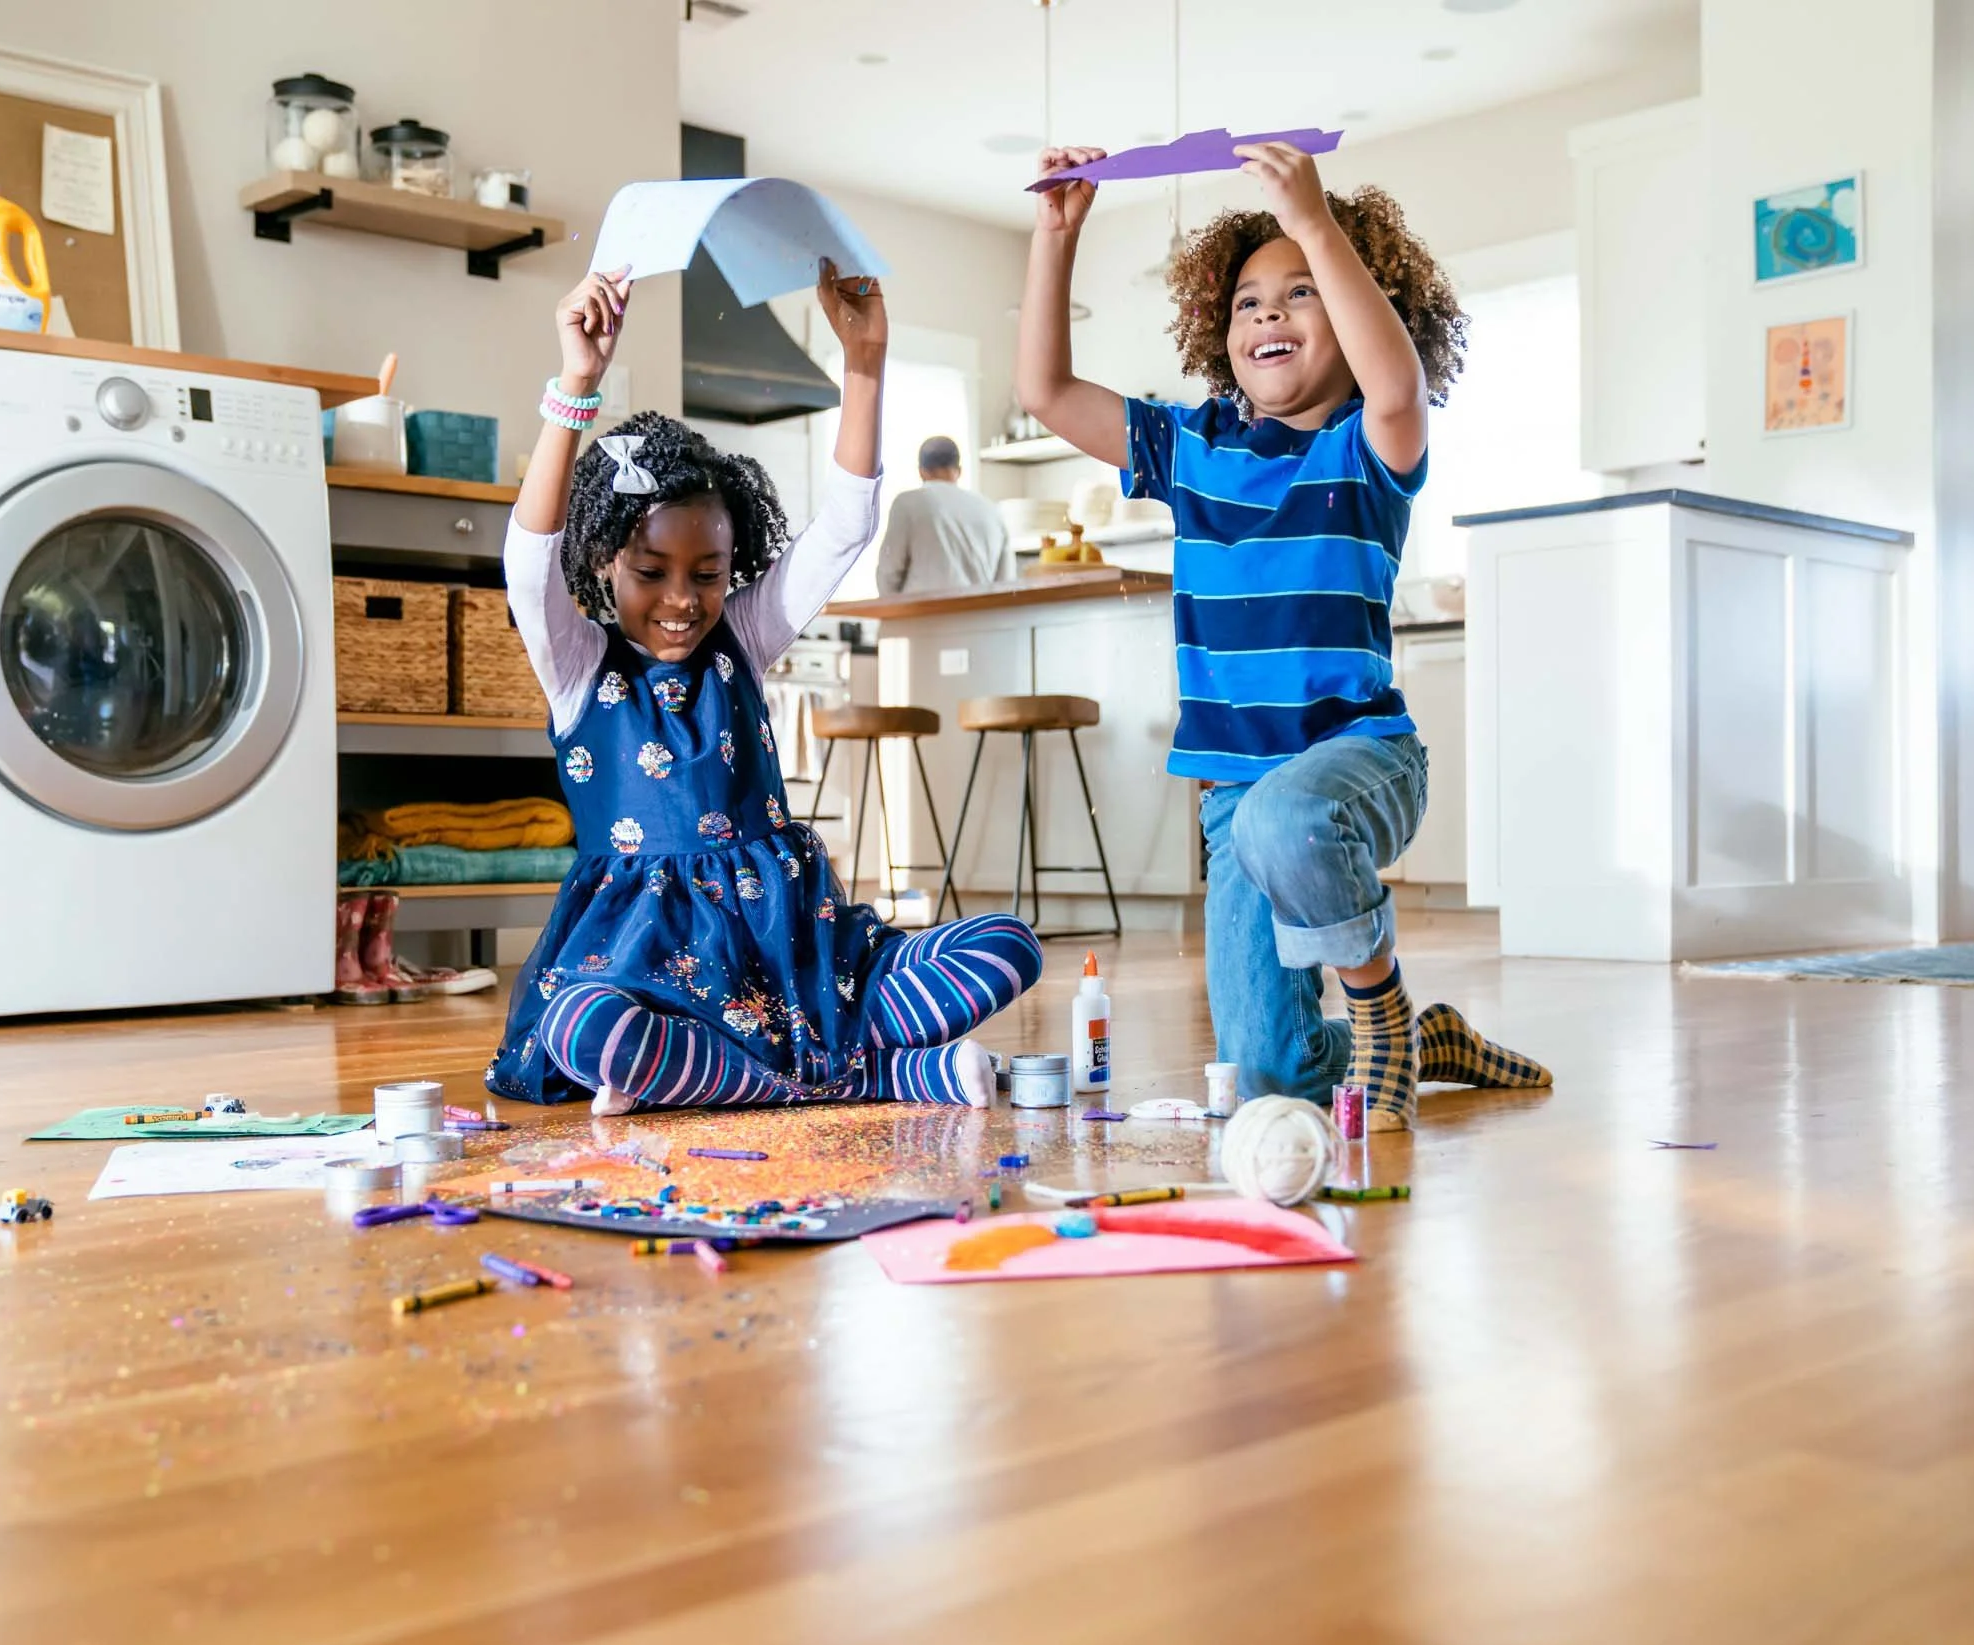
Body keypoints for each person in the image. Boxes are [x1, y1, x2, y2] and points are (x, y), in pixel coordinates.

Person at [1013, 140, 1550, 1129]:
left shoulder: (1366, 446)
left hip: (1358, 764)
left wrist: (1314, 221)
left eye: (1299, 293)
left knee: (1283, 818)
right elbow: (1045, 391)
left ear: (1355, 316)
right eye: (1247, 301)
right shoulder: (1192, 447)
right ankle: (1423, 1039)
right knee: (1268, 1072)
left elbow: (1394, 387)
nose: (1266, 313)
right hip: (1235, 802)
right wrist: (1055, 240)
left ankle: (1379, 1007)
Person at [487, 260, 1042, 1114]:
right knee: (582, 1026)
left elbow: (848, 525)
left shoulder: (740, 637)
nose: (681, 600)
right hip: (644, 963)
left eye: (707, 574)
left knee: (1008, 945)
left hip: (794, 951)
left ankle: (756, 1076)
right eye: (651, 571)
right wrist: (576, 384)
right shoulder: (577, 664)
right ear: (603, 562)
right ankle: (868, 1076)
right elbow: (527, 565)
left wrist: (865, 363)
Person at [875, 435, 1014, 595]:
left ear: (921, 471)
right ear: (959, 470)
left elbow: (889, 570)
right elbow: (1006, 580)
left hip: (923, 614)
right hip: (979, 614)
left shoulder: (908, 503)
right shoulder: (991, 509)